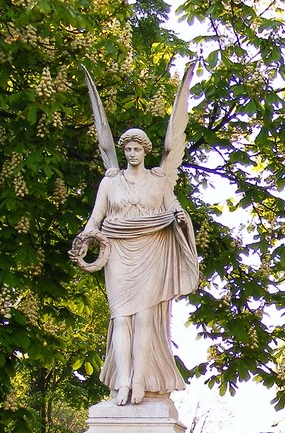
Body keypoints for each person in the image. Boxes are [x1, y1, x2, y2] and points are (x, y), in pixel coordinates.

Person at [81, 128, 199, 406]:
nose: (132, 154)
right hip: (118, 250)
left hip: (151, 250)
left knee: (145, 318)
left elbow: (174, 208)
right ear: (123, 152)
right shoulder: (110, 183)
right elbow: (96, 216)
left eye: (137, 149)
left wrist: (182, 219)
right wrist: (85, 238)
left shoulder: (158, 181)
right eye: (128, 149)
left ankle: (139, 382)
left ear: (146, 151)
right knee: (120, 317)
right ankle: (122, 381)